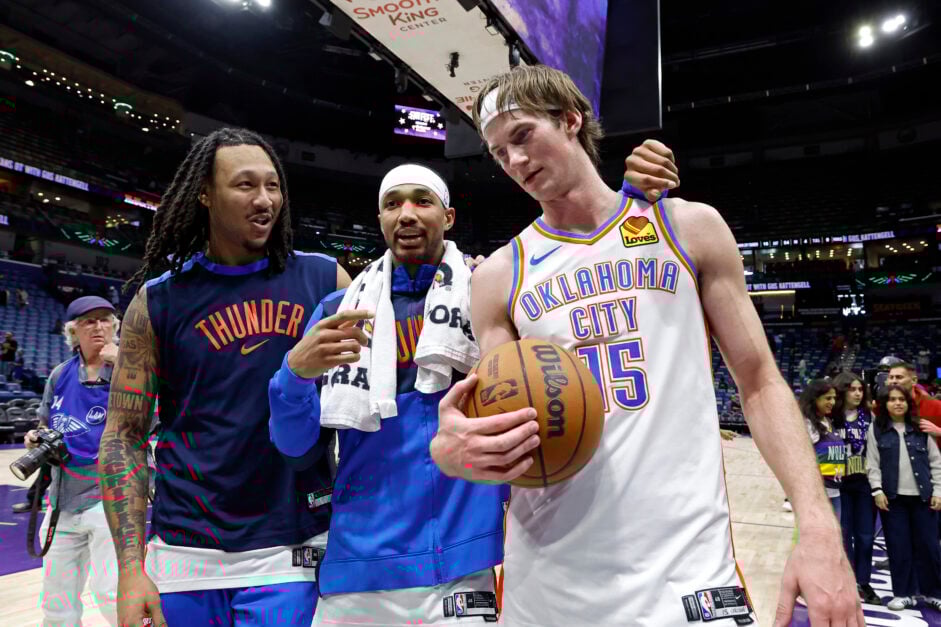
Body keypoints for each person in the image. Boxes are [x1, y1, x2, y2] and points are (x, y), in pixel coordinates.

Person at [432, 64, 862, 626]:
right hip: (550, 580)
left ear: (570, 120)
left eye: (523, 135)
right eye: (498, 152)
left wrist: (818, 526)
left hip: (688, 574)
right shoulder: (498, 277)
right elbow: (499, 424)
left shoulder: (687, 227)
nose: (514, 161)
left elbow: (759, 382)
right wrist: (456, 452)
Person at [270, 156, 672, 626]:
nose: (406, 214)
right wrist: (293, 375)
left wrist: (624, 210)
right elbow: (297, 450)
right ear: (379, 219)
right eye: (392, 204)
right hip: (358, 564)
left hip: (459, 568)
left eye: (422, 201)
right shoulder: (339, 312)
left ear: (448, 217)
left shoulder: (489, 296)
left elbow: (579, 282)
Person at [98, 128, 351, 627]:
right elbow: (123, 435)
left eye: (273, 185)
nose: (265, 200)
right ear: (205, 194)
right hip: (183, 552)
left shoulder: (326, 280)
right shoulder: (158, 301)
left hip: (293, 548)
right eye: (245, 185)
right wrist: (129, 570)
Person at [25, 295, 122, 626]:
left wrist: (125, 365)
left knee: (112, 594)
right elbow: (45, 423)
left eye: (105, 320)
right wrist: (36, 436)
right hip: (63, 499)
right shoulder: (60, 375)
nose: (99, 327)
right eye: (89, 321)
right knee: (57, 601)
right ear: (73, 332)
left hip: (112, 496)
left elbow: (154, 415)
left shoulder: (131, 367)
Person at [866, 384, 941, 612]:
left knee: (929, 546)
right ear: (884, 404)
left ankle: (933, 593)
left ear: (909, 404)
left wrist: (938, 491)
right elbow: (872, 463)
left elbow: (936, 462)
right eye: (892, 399)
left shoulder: (920, 428)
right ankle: (903, 593)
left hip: (924, 499)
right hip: (893, 499)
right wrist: (877, 490)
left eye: (902, 399)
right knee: (899, 547)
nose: (897, 403)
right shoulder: (876, 430)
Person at [830, 372, 879, 605]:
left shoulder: (869, 416)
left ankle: (864, 581)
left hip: (864, 482)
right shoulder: (830, 417)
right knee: (843, 534)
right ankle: (847, 581)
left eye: (860, 389)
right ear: (842, 391)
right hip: (838, 483)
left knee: (866, 536)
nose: (858, 393)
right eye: (852, 389)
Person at [799, 379, 844, 517]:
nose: (832, 402)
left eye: (834, 398)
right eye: (828, 398)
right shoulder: (807, 424)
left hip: (834, 491)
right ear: (815, 399)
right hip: (816, 494)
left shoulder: (828, 421)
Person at [888, 362, 941, 442]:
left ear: (914, 380)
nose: (893, 381)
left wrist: (939, 431)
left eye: (899, 377)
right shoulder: (881, 406)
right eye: (891, 377)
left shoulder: (935, 406)